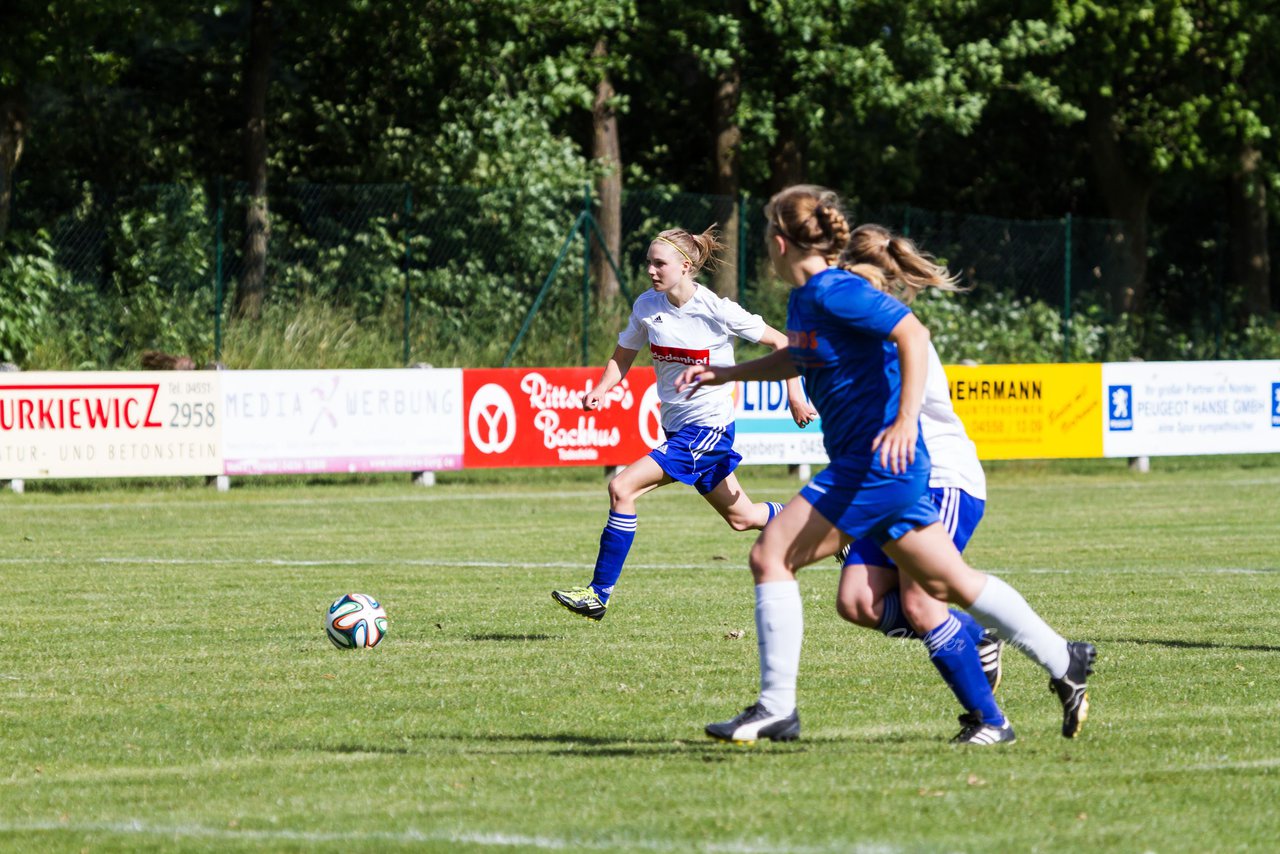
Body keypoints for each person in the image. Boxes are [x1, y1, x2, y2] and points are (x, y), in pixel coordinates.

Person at [676, 186, 1095, 745]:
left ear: (779, 243)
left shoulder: (833, 289)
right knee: (951, 583)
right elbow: (799, 357)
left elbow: (912, 333)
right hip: (875, 467)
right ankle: (1058, 661)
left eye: (765, 240)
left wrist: (902, 422)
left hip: (874, 466)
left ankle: (777, 707)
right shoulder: (806, 301)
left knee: (771, 554)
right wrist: (727, 375)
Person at [550, 225, 818, 622]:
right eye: (649, 263)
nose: (651, 271)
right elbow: (622, 355)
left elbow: (784, 344)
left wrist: (795, 395)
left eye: (659, 263)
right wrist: (603, 388)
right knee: (742, 518)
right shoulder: (646, 306)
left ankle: (598, 593)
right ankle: (829, 523)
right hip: (679, 430)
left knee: (621, 487)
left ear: (685, 265)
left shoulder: (716, 309)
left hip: (708, 429)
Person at [831, 223, 1004, 719]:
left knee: (923, 605)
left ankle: (992, 717)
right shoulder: (858, 327)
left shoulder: (895, 328)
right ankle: (974, 637)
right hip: (894, 483)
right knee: (857, 601)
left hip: (941, 478)